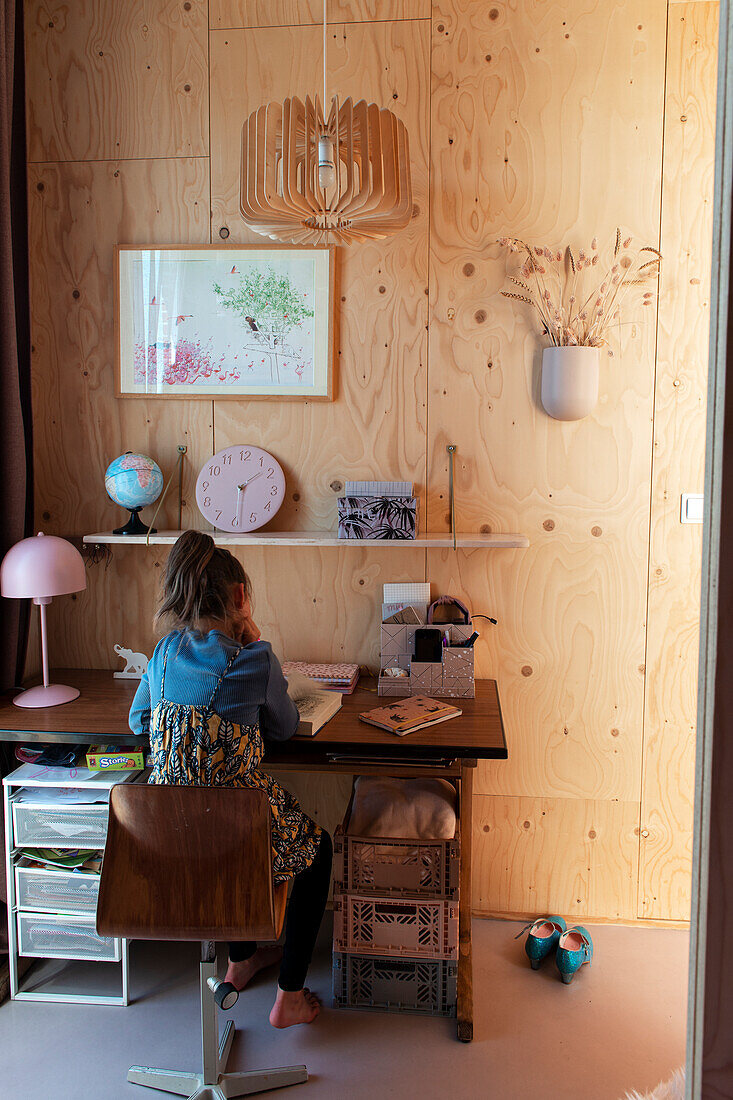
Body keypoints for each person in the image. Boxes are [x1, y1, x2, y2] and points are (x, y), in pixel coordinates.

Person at [129, 529, 332, 1028]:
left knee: (218, 838)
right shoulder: (254, 659)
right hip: (238, 829)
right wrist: (256, 644)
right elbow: (284, 725)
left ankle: (240, 960)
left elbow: (138, 720)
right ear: (240, 597)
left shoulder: (164, 651)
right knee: (317, 848)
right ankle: (289, 994)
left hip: (168, 834)